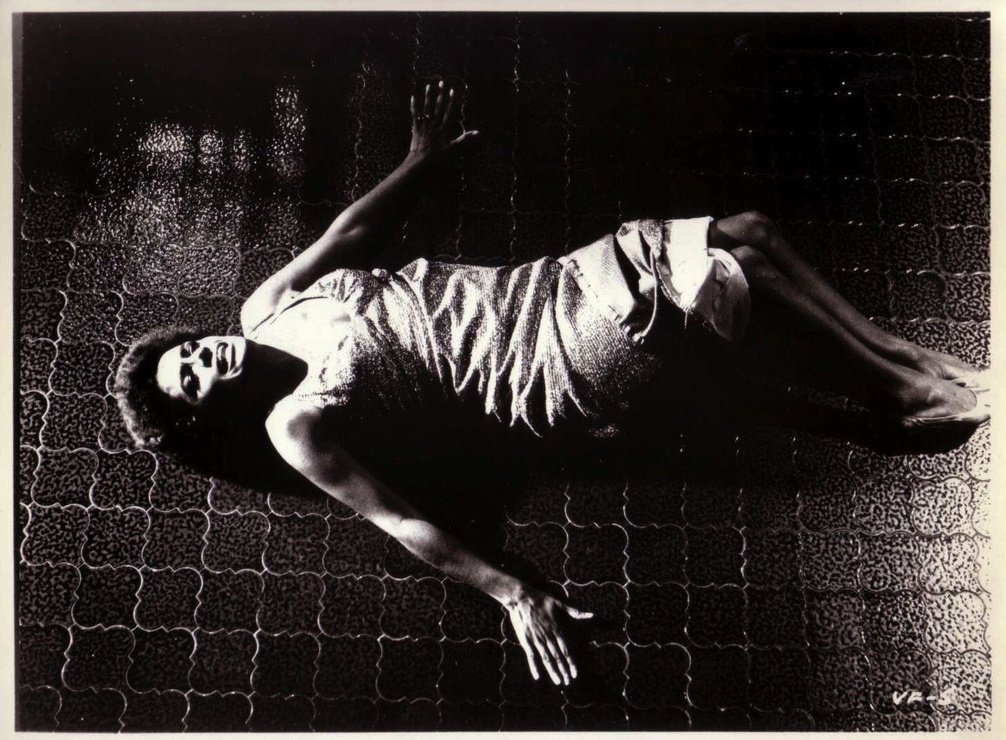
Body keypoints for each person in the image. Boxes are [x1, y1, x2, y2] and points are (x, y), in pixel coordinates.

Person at [115, 81, 989, 687]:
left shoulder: (264, 309)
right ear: (209, 412)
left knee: (751, 234)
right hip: (546, 367)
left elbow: (349, 235)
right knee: (715, 270)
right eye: (192, 380)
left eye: (189, 349)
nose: (205, 357)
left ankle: (906, 370)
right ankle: (905, 390)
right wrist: (513, 591)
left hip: (540, 288)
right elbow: (400, 520)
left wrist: (419, 159)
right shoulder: (293, 427)